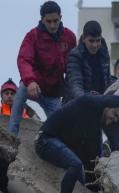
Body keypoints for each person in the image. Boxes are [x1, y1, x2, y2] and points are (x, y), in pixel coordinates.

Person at [34, 94, 119, 193]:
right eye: (115, 114)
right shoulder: (88, 102)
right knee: (74, 164)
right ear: (107, 107)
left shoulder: (94, 131)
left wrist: (101, 188)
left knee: (83, 180)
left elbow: (92, 163)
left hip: (59, 146)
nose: (113, 119)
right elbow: (107, 98)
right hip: (45, 140)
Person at [8, 1, 76, 135]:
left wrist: (70, 92)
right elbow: (24, 59)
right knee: (21, 89)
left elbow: (72, 67)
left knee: (60, 128)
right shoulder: (33, 35)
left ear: (61, 18)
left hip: (53, 93)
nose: (52, 25)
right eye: (48, 21)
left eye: (55, 21)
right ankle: (11, 136)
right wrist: (30, 81)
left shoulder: (69, 37)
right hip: (34, 85)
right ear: (42, 20)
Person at [63, 20, 111, 103]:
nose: (95, 45)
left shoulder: (104, 54)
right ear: (84, 38)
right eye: (91, 41)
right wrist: (85, 102)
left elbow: (108, 80)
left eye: (98, 40)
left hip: (99, 103)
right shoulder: (75, 55)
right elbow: (75, 84)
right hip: (75, 105)